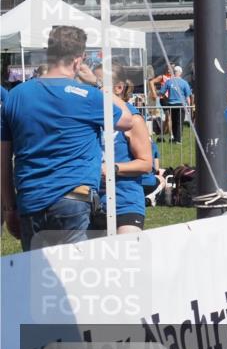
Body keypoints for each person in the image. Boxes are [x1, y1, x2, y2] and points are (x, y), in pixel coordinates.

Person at [1, 26, 134, 250]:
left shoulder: (15, 96)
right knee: (74, 277)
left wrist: (9, 207)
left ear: (48, 53)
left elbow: (3, 160)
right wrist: (98, 84)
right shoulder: (88, 96)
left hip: (31, 199)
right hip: (74, 199)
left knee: (38, 279)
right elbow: (127, 120)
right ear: (78, 59)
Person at [94, 62, 153, 233]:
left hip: (124, 201)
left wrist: (113, 168)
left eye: (98, 84)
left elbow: (146, 163)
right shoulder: (90, 118)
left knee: (124, 257)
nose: (93, 90)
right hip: (91, 201)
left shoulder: (133, 120)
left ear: (118, 88)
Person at [159, 65, 192, 144]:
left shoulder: (169, 81)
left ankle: (175, 139)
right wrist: (189, 106)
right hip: (181, 104)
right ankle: (178, 139)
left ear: (174, 72)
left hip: (171, 104)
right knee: (179, 122)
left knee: (173, 122)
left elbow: (161, 93)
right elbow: (187, 96)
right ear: (180, 73)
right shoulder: (184, 83)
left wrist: (167, 99)